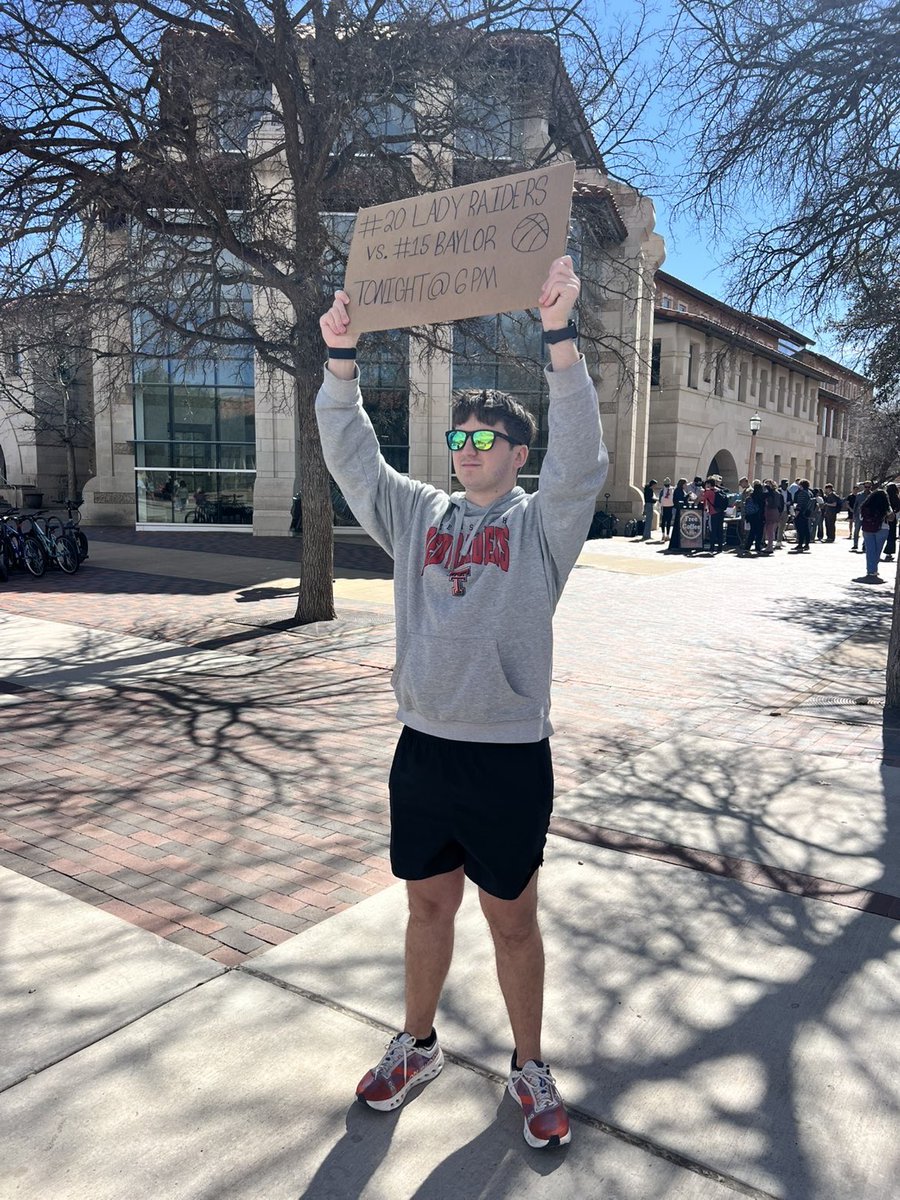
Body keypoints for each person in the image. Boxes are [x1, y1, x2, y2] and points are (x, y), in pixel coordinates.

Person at [316, 256, 606, 1150]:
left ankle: (530, 1065)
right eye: (462, 436)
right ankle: (418, 1044)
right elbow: (354, 458)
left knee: (512, 923)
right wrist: (339, 362)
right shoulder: (418, 516)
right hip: (424, 752)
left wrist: (560, 340)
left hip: (508, 757)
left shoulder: (540, 525)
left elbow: (582, 463)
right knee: (426, 909)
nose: (471, 447)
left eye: (490, 438)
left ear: (519, 455)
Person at [859, 486, 892, 581]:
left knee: (870, 550)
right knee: (877, 551)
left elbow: (861, 517)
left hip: (868, 529)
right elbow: (891, 518)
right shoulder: (885, 506)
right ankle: (873, 569)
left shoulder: (866, 505)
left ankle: (871, 570)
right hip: (882, 529)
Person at [762, 480, 784, 553]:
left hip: (770, 510)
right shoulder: (778, 493)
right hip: (775, 511)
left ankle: (770, 546)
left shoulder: (772, 493)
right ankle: (769, 545)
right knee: (770, 530)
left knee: (770, 530)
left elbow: (771, 502)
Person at [791, 479, 813, 552]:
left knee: (800, 530)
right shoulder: (809, 493)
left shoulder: (802, 493)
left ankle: (800, 544)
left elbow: (799, 505)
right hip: (807, 513)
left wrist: (795, 515)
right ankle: (806, 544)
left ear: (801, 486)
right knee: (806, 529)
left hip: (801, 513)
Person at [883, 482, 900, 562]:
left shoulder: (885, 497)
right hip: (892, 519)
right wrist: (894, 512)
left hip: (883, 518)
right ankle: (889, 552)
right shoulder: (896, 498)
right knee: (891, 536)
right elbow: (898, 508)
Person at [776, 479, 791, 547]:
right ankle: (772, 540)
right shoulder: (778, 492)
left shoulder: (788, 493)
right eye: (785, 484)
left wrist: (789, 503)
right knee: (775, 526)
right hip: (778, 511)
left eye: (787, 484)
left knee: (782, 526)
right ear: (782, 484)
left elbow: (791, 500)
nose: (786, 486)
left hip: (786, 511)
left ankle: (779, 541)